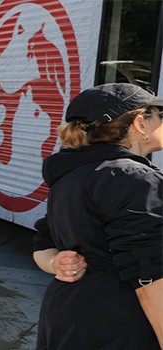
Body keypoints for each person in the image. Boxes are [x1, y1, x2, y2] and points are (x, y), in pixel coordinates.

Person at [33, 83, 163, 349]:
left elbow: (43, 242)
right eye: (160, 115)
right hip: (119, 323)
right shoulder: (134, 178)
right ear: (139, 123)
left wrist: (56, 261)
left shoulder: (72, 174)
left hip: (68, 315)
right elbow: (149, 275)